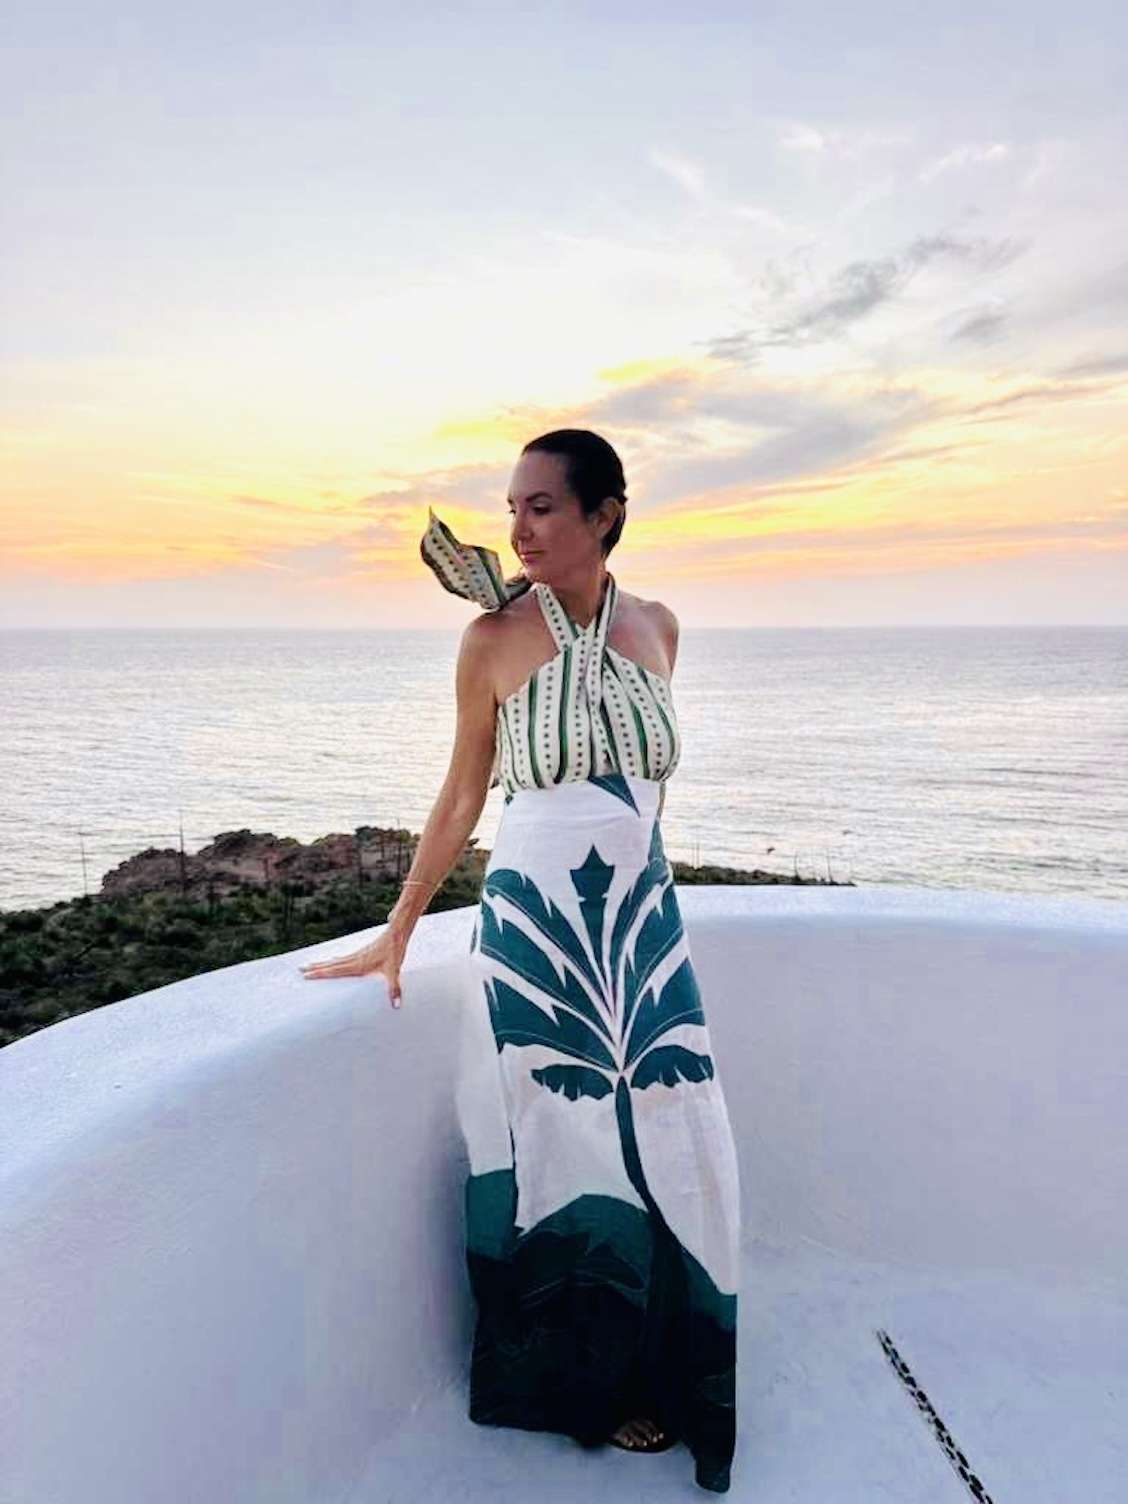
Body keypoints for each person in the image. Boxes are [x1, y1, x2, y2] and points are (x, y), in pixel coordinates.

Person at [301, 429, 741, 1492]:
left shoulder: (660, 628)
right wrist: (403, 923)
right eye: (512, 508)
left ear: (604, 513)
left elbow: (652, 795)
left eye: (543, 506)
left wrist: (646, 890)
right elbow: (464, 795)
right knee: (565, 1155)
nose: (519, 529)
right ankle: (583, 1386)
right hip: (535, 930)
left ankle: (679, 1372)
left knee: (681, 1138)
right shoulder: (492, 640)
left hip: (642, 930)